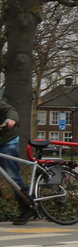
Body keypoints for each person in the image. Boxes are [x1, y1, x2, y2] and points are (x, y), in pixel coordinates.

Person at [0, 93, 32, 224]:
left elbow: (10, 110)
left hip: (7, 140)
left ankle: (26, 208)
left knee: (12, 175)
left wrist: (10, 120)